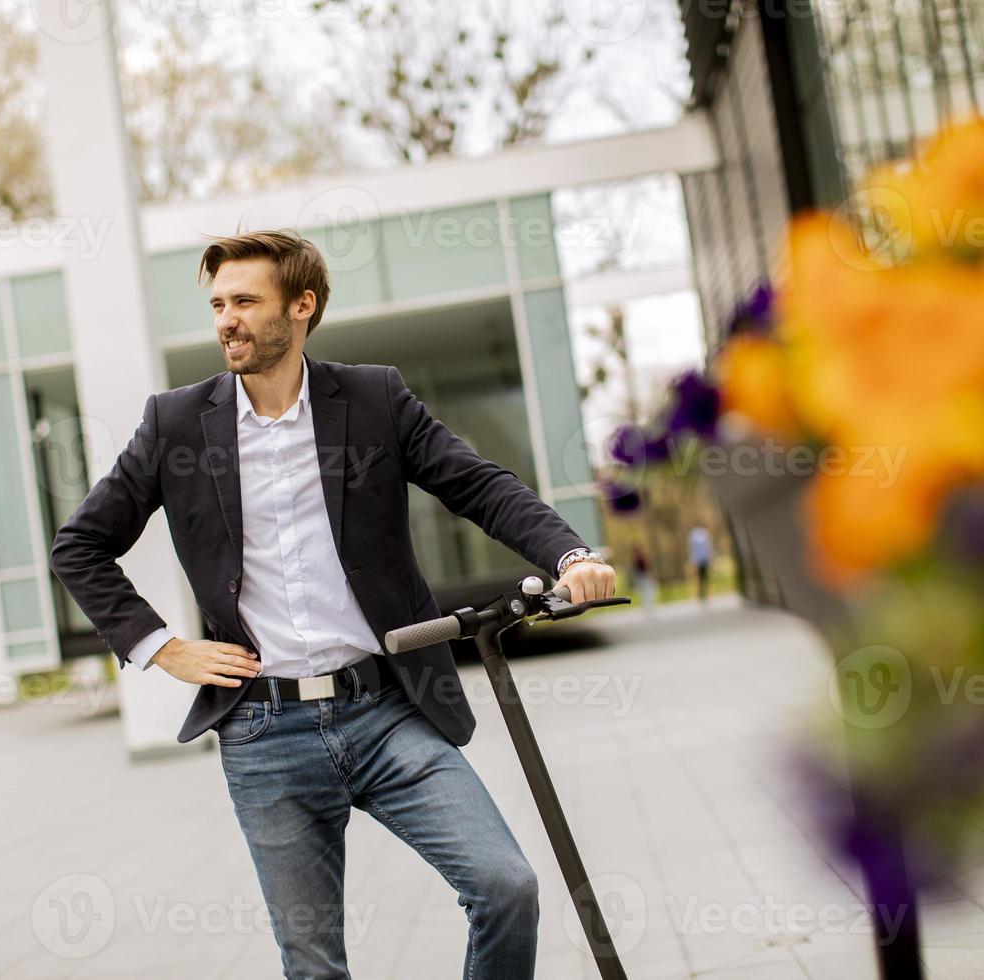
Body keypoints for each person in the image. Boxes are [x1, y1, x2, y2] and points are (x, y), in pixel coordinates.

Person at [49, 230, 616, 980]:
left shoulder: (375, 399)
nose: (227, 320)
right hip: (263, 731)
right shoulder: (177, 424)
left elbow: (477, 484)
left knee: (505, 887)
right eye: (218, 304)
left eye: (246, 301)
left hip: (386, 712)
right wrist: (163, 646)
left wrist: (569, 556)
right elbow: (79, 545)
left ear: (303, 306)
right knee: (314, 968)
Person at [687, 524, 713, 603]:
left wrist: (692, 560)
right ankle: (705, 596)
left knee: (698, 579)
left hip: (698, 560)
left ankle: (700, 596)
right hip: (703, 559)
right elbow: (709, 547)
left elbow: (691, 548)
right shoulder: (705, 534)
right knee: (704, 578)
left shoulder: (692, 535)